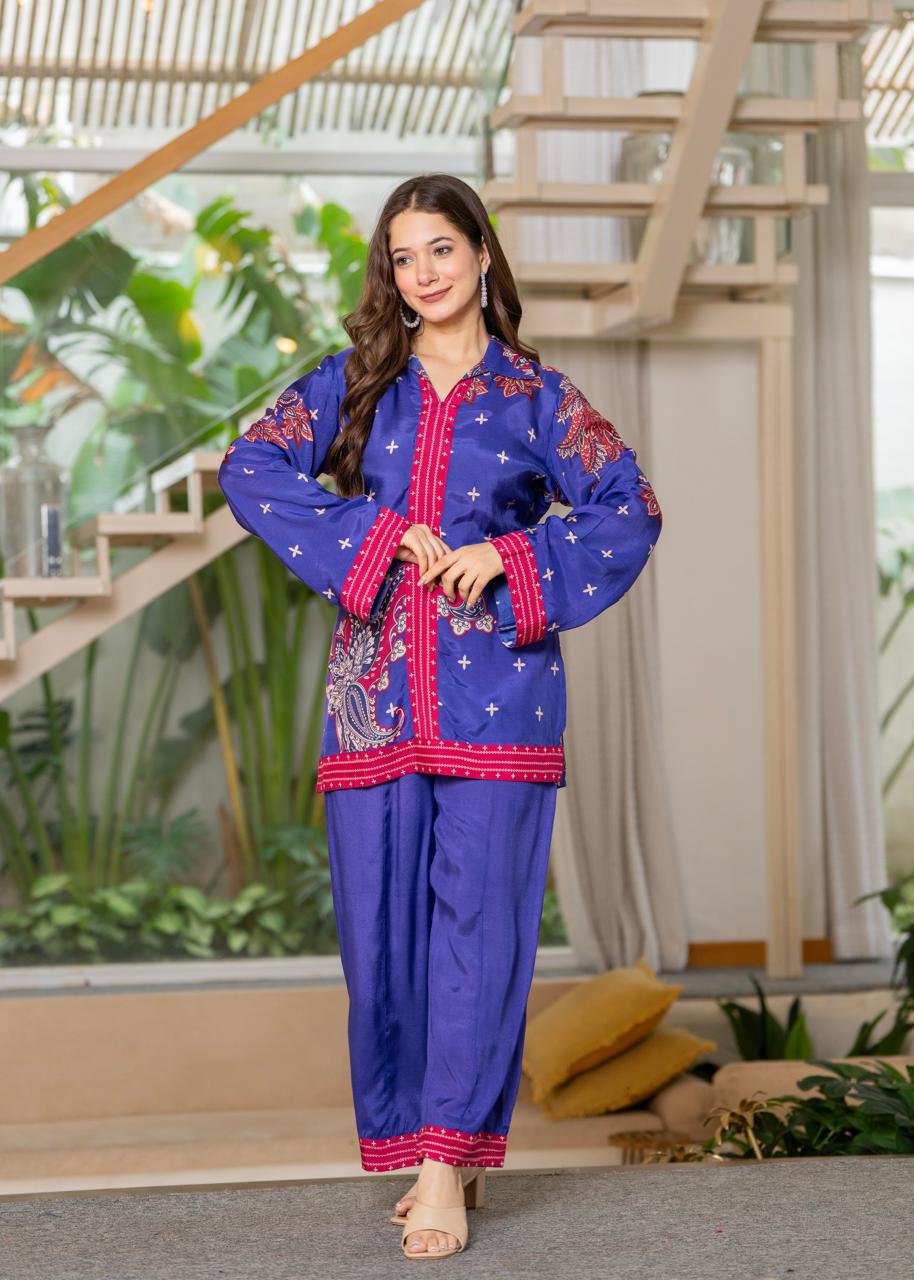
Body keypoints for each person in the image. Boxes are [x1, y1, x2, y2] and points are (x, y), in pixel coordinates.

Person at [218, 172, 662, 1260]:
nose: (422, 274)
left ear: (481, 253)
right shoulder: (355, 381)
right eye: (403, 257)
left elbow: (630, 508)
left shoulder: (537, 397)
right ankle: (430, 1149)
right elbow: (248, 465)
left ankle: (443, 1170)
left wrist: (508, 557)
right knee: (382, 940)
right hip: (373, 700)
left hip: (500, 699)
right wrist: (372, 538)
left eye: (442, 250)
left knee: (479, 931)